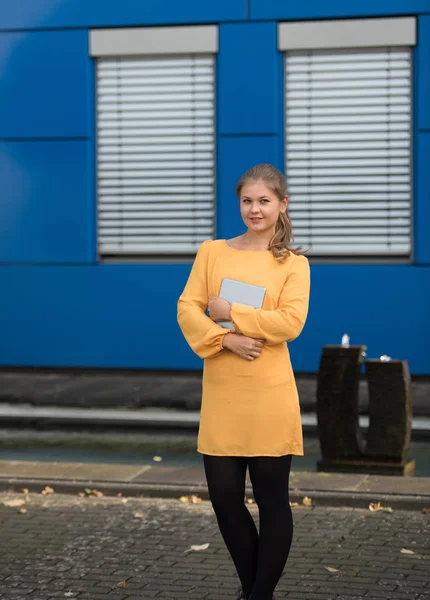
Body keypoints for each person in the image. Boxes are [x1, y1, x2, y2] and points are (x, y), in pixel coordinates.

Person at [177, 163, 311, 600]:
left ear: (282, 204)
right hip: (223, 391)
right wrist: (226, 339)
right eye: (248, 201)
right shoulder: (212, 252)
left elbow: (290, 323)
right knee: (224, 496)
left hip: (270, 393)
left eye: (264, 201)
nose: (255, 209)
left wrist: (230, 311)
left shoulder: (294, 264)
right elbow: (187, 308)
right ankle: (255, 589)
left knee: (272, 501)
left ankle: (258, 595)